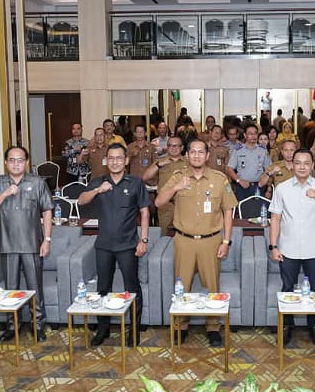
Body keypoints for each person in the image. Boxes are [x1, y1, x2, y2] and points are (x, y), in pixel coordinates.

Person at [155, 139, 236, 347]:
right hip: (184, 240)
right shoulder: (178, 176)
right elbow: (158, 202)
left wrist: (226, 241)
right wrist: (176, 188)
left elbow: (228, 210)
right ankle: (181, 326)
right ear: (187, 155)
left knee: (212, 286)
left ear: (207, 155)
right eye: (193, 152)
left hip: (211, 241)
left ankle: (213, 327)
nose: (197, 155)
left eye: (201, 152)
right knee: (183, 285)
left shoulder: (219, 179)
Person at [78, 143, 150, 346]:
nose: (115, 161)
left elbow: (145, 212)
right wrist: (98, 190)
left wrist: (143, 240)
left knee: (132, 288)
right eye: (111, 158)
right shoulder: (99, 182)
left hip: (128, 245)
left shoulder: (135, 183)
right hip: (104, 245)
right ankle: (103, 330)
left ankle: (133, 331)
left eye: (119, 158)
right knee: (103, 288)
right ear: (106, 160)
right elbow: (81, 201)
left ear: (126, 160)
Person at [0, 146, 53, 342]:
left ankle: (38, 325)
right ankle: (12, 325)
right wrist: (4, 194)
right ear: (6, 162)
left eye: (20, 160)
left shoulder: (37, 183)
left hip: (33, 244)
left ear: (26, 162)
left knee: (35, 286)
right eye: (12, 160)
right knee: (11, 288)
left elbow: (47, 211)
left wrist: (46, 240)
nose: (16, 163)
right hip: (8, 244)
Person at [269, 148, 315, 347]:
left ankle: (314, 327)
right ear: (292, 164)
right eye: (298, 162)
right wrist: (273, 246)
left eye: (306, 163)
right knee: (287, 289)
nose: (302, 166)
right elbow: (275, 218)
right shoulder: (282, 188)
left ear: (312, 166)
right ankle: (287, 326)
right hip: (288, 248)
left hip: (314, 248)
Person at [143, 136, 186, 230]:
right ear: (167, 147)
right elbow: (145, 177)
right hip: (166, 205)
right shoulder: (160, 161)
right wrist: (158, 165)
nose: (173, 148)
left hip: (185, 204)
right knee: (165, 234)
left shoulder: (189, 162)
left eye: (176, 146)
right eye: (170, 145)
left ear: (182, 148)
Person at [226, 124, 271, 202]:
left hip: (259, 186)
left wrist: (268, 187)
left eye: (255, 133)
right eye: (250, 133)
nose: (253, 136)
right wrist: (239, 180)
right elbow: (229, 169)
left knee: (259, 212)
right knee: (243, 211)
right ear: (245, 135)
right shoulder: (238, 150)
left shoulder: (263, 150)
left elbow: (269, 169)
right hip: (242, 186)